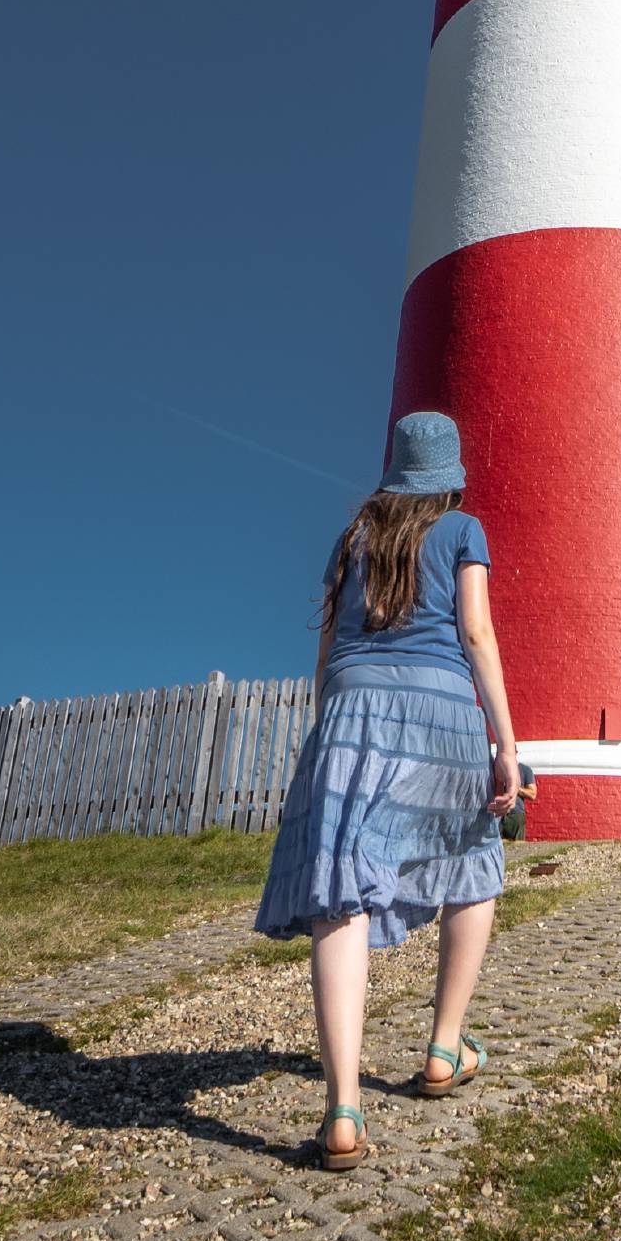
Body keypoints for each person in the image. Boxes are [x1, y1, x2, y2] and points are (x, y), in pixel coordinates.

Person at [254, 410, 523, 1172]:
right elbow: (477, 633)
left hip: (348, 712)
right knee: (471, 862)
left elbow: (327, 650)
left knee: (341, 893)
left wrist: (329, 741)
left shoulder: (351, 541)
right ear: (449, 481)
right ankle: (444, 1046)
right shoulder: (465, 530)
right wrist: (505, 743)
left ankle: (342, 1108)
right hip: (440, 709)